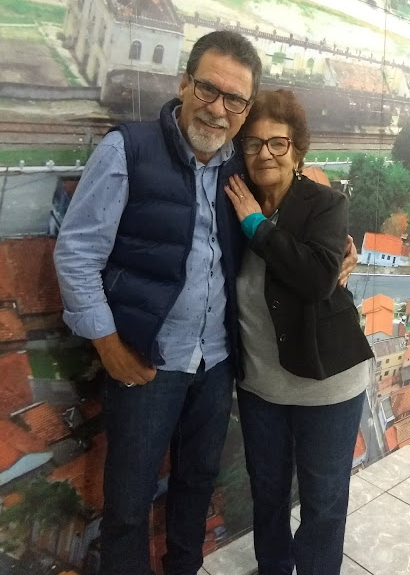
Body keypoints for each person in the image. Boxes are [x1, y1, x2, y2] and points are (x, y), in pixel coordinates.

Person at [54, 30, 357, 575]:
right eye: (208, 89)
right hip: (147, 361)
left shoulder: (240, 168)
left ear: (244, 110)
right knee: (128, 501)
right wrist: (108, 345)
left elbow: (299, 189)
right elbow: (76, 254)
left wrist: (341, 244)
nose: (218, 109)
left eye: (234, 99)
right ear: (184, 85)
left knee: (195, 486)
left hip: (216, 364)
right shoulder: (129, 150)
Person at [225, 89, 373, 575]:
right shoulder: (233, 201)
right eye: (253, 143)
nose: (264, 153)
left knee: (323, 502)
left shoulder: (323, 204)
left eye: (278, 143)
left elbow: (315, 279)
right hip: (261, 385)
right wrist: (248, 218)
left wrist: (257, 226)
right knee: (267, 494)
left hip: (329, 384)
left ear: (297, 151)